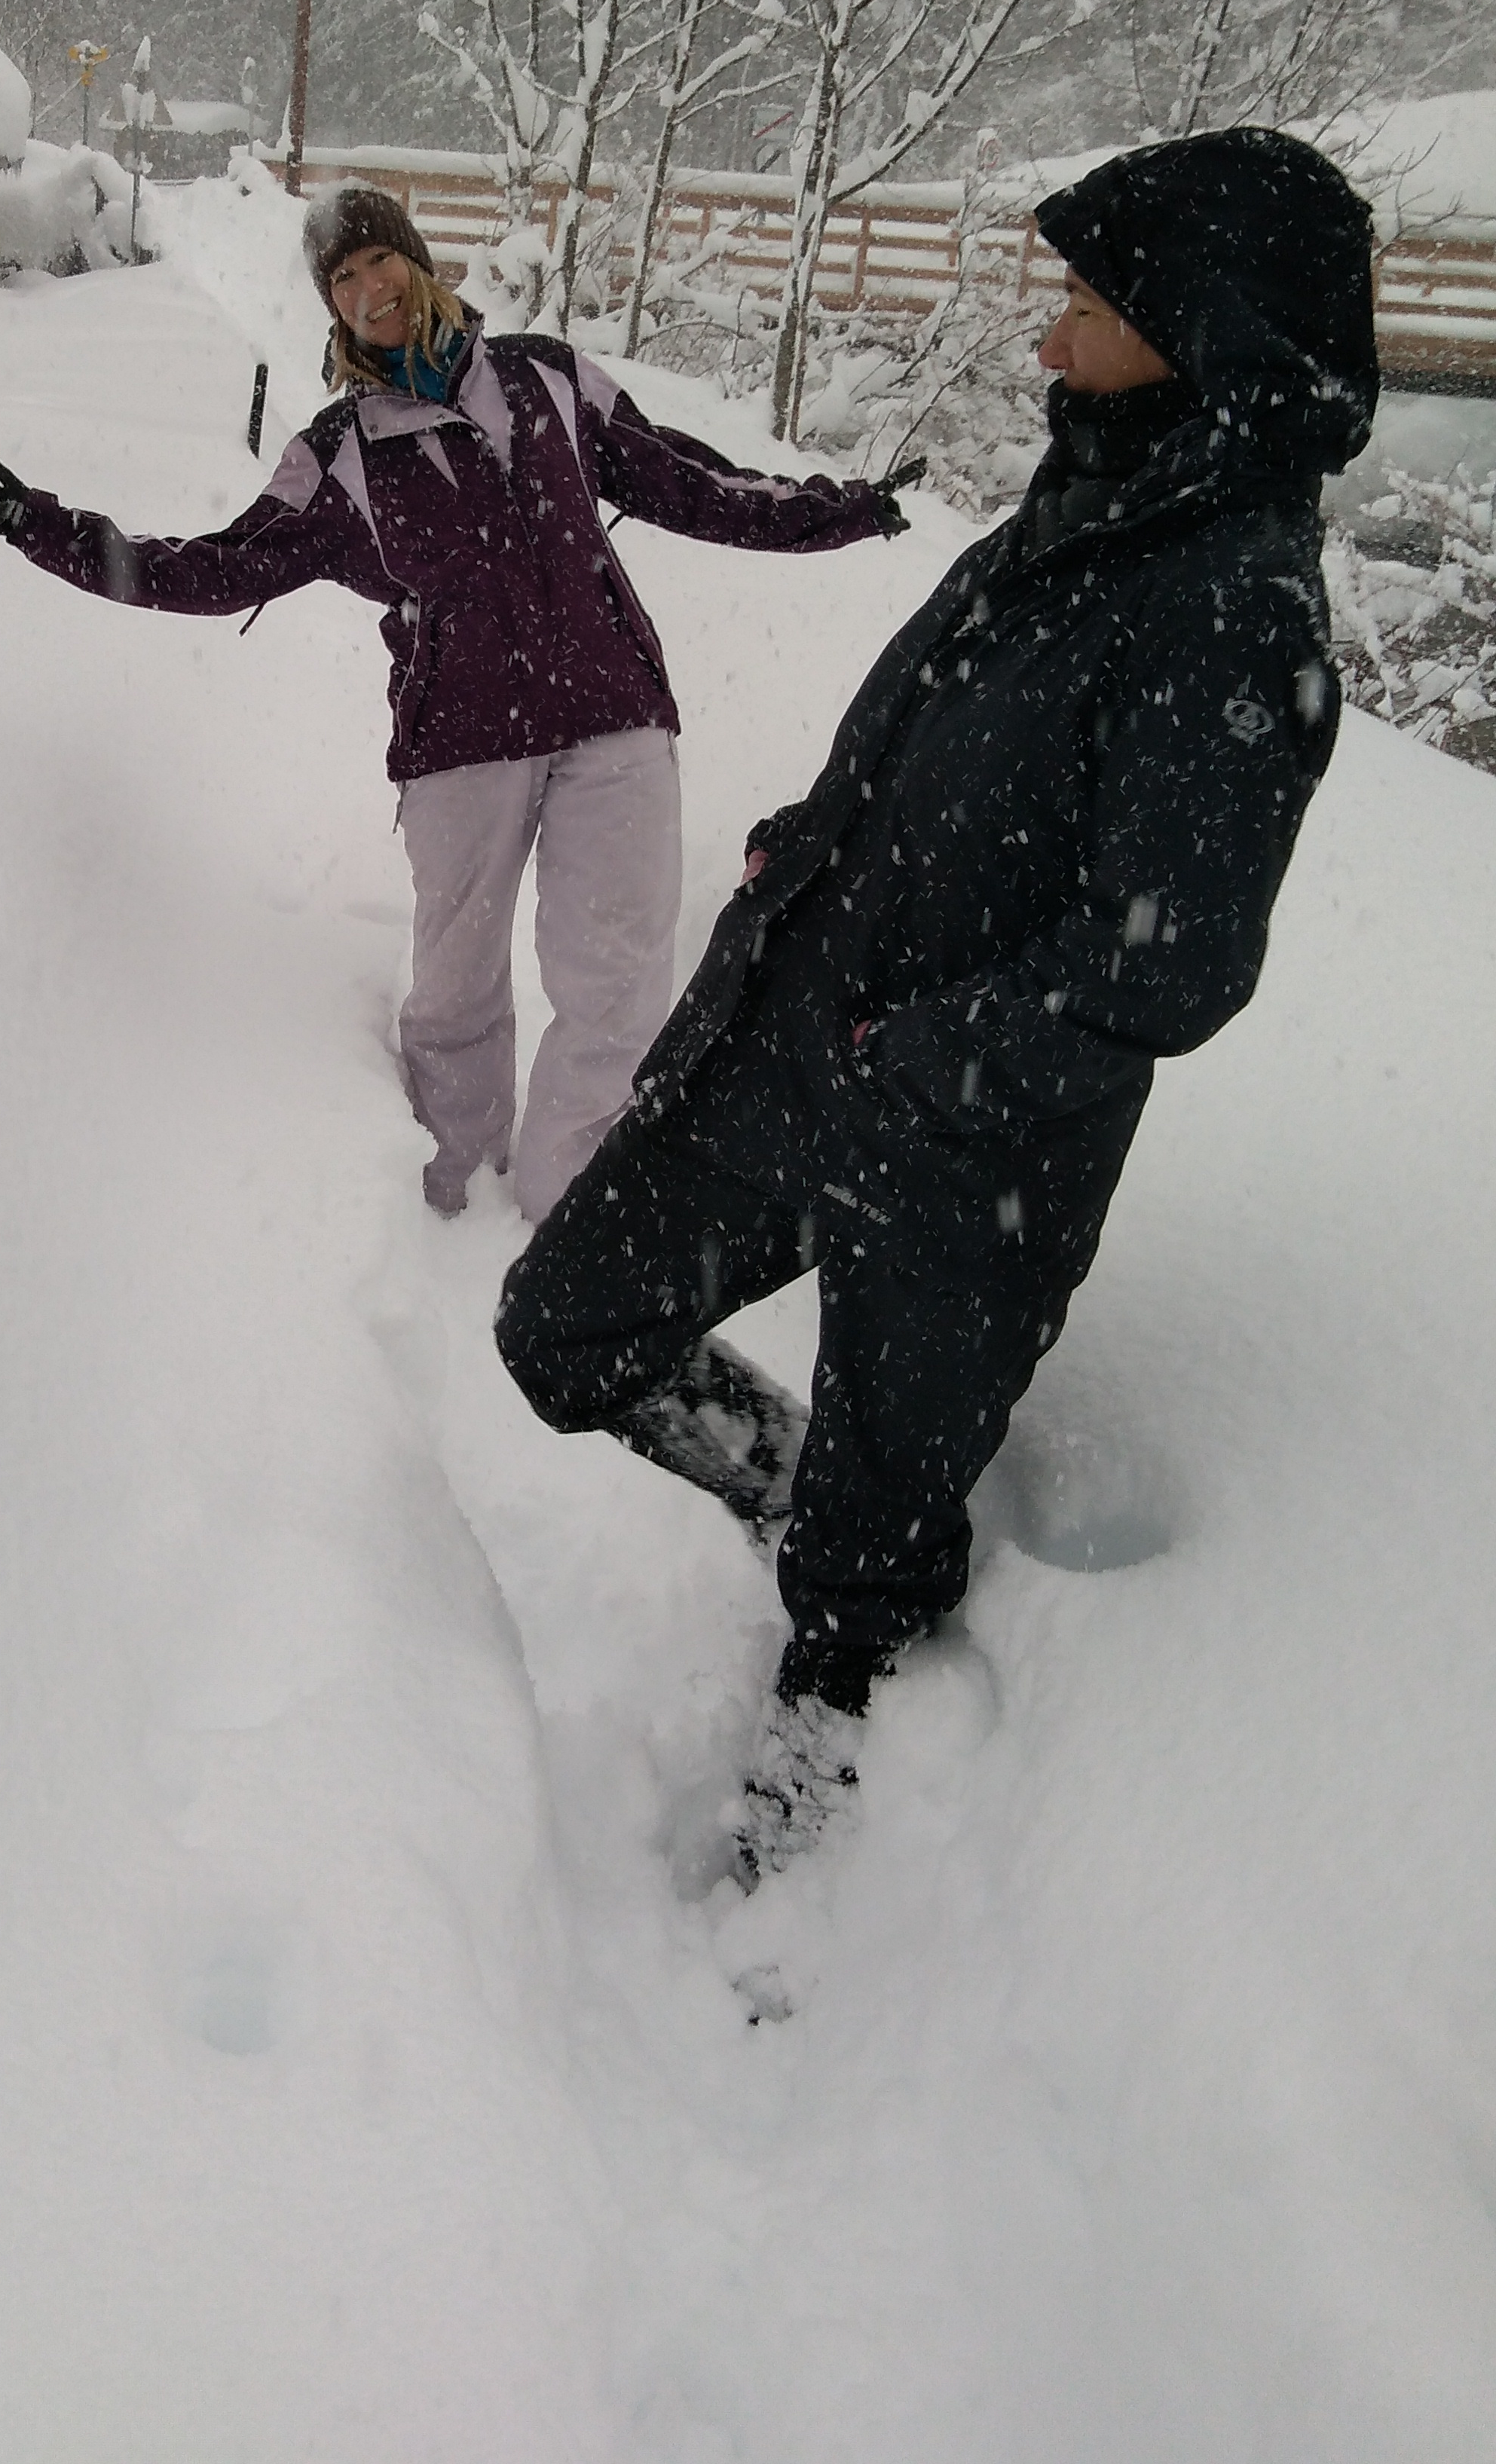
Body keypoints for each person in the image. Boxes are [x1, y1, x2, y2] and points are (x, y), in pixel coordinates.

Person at [492, 125, 1376, 1881]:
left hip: (965, 1150)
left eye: (1087, 306)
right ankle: (787, 1492)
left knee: (869, 1564)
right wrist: (807, 841)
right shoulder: (1100, 491)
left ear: (1197, 334)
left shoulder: (1235, 605)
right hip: (796, 1037)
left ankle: (811, 1830)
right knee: (564, 1326)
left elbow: (1171, 960)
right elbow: (942, 749)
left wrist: (927, 1058)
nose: (1049, 339)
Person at [0, 185, 909, 1221]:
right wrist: (54, 532)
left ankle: (567, 1212)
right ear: (330, 303)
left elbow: (693, 483)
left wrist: (849, 510)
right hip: (462, 744)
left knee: (621, 984)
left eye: (380, 262)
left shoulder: (548, 378)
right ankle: (448, 1207)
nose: (368, 289)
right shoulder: (340, 452)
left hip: (614, 714)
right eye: (343, 278)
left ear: (416, 261)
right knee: (458, 992)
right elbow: (220, 569)